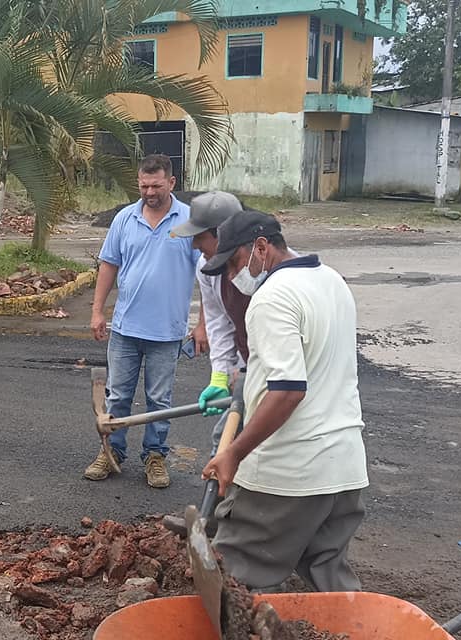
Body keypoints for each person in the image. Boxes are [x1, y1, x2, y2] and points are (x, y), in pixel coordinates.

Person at [198, 210, 368, 592]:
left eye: (235, 263)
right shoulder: (331, 280)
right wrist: (250, 378)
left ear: (261, 247)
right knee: (331, 582)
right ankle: (354, 623)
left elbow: (289, 389)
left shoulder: (272, 297)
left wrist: (234, 453)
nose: (232, 276)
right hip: (343, 467)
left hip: (289, 472)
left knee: (235, 580)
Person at [84, 154, 201, 489]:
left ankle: (155, 456)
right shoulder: (125, 218)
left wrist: (205, 323)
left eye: (156, 185)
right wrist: (97, 311)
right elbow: (109, 264)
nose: (149, 192)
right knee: (118, 396)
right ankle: (111, 452)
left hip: (167, 332)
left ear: (171, 183)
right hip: (125, 329)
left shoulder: (189, 221)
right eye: (144, 186)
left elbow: (207, 274)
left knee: (159, 400)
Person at [171, 191, 251, 457]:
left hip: (283, 375)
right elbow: (219, 323)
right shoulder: (207, 268)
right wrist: (220, 377)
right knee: (225, 441)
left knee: (241, 444)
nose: (194, 245)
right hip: (246, 365)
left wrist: (252, 372)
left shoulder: (270, 268)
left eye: (199, 236)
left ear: (223, 233)